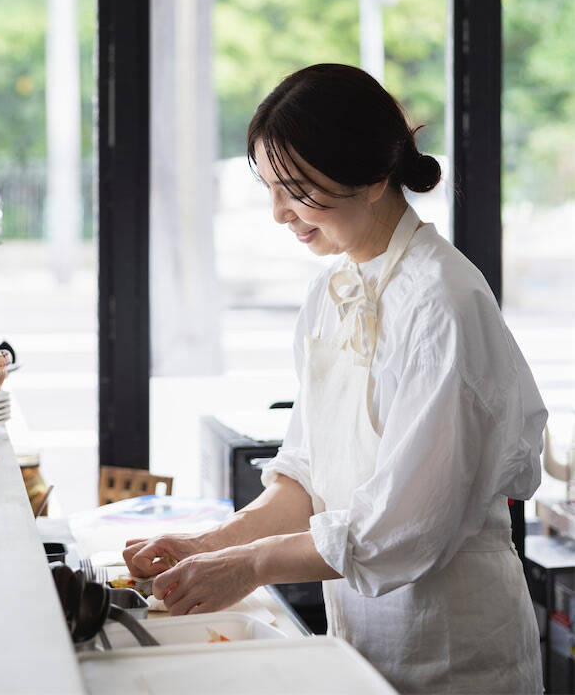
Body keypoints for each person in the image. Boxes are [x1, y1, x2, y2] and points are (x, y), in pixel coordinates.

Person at [124, 64, 546, 694]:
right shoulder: (334, 288)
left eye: (294, 189)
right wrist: (207, 545)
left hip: (454, 653)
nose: (278, 213)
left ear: (373, 177)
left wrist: (248, 564)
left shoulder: (443, 304)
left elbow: (402, 527)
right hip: (363, 640)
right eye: (270, 188)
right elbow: (305, 477)